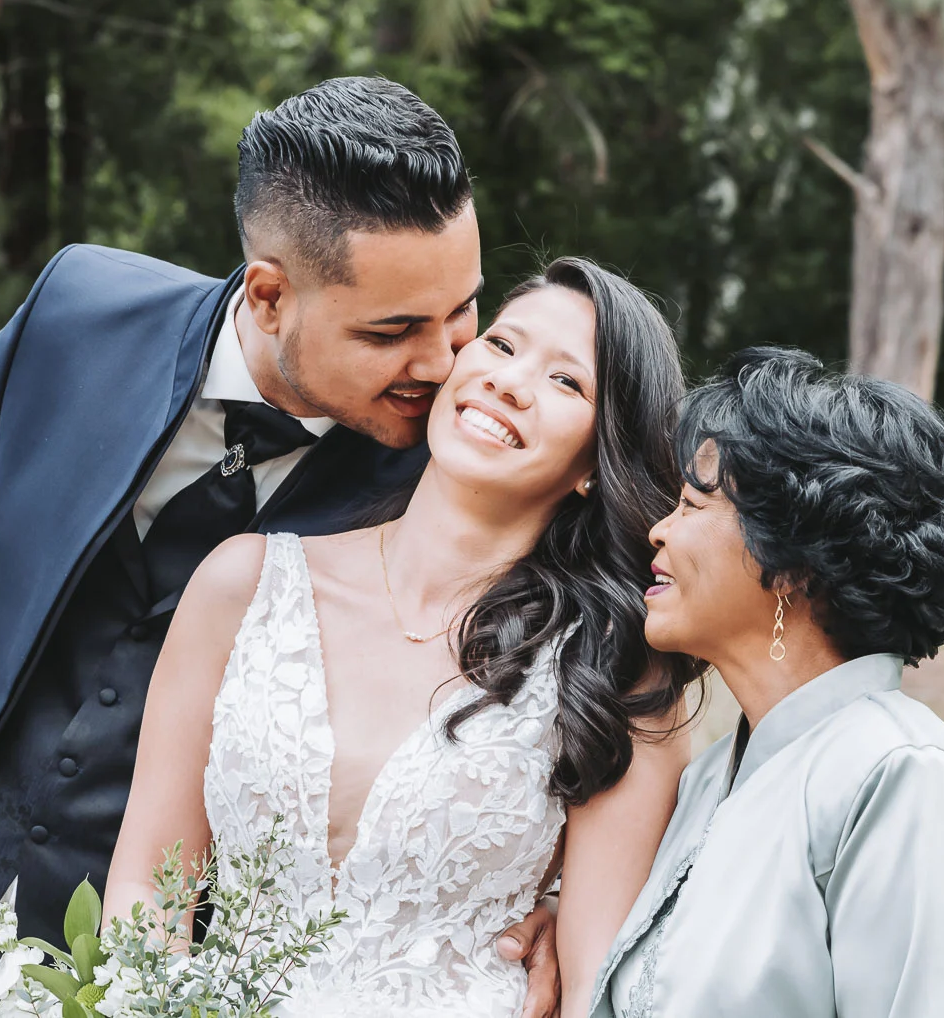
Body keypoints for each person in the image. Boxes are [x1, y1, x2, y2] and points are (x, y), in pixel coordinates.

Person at [0, 78, 560, 1016]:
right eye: (394, 330)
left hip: (206, 979)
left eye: (462, 311)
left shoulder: (443, 467)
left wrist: (558, 898)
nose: (442, 364)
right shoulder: (82, 316)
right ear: (269, 296)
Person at [104, 258, 699, 1016]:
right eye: (503, 345)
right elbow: (147, 886)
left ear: (595, 463)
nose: (510, 382)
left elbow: (590, 989)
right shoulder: (243, 584)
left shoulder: (613, 672)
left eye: (566, 382)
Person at [592, 348, 944, 1017]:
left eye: (691, 504)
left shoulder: (909, 782)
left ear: (792, 563)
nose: (659, 530)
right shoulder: (713, 777)